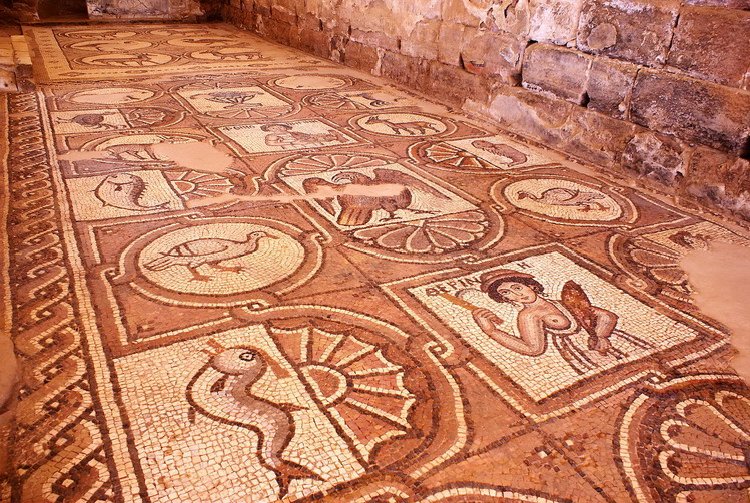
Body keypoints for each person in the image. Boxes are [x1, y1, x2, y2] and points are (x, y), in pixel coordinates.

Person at [469, 269, 650, 374]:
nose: (517, 295)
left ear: (530, 285)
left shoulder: (563, 302)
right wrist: (491, 331)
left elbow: (608, 316)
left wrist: (600, 335)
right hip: (582, 353)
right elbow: (533, 348)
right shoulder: (529, 315)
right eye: (506, 293)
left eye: (517, 287)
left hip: (603, 344)